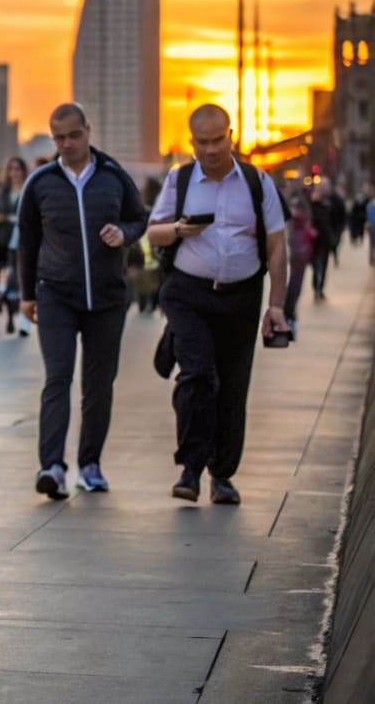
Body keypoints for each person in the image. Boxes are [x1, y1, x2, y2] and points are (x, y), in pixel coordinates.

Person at [147, 104, 288, 505]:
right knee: (197, 376)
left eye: (217, 140)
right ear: (192, 142)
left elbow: (277, 246)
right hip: (188, 294)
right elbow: (153, 233)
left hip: (241, 297)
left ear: (232, 136)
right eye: (202, 142)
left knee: (232, 384)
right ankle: (190, 469)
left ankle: (222, 474)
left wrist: (277, 306)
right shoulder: (180, 180)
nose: (210, 150)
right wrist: (178, 229)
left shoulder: (257, 182)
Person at [18, 103, 146, 499]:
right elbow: (27, 240)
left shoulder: (113, 176)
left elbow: (139, 219)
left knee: (99, 384)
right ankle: (52, 467)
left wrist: (123, 234)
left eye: (74, 135)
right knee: (58, 377)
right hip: (55, 293)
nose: (67, 144)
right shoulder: (40, 183)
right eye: (59, 138)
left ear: (88, 130)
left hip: (107, 297)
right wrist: (26, 295)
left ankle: (90, 465)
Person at [0, 156, 29, 333]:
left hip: (26, 243)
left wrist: (8, 217)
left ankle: (24, 322)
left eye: (17, 169)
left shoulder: (29, 189)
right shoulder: (4, 192)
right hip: (7, 242)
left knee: (24, 282)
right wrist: (7, 218)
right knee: (7, 277)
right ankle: (4, 305)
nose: (14, 173)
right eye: (11, 169)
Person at [283, 186, 315, 340]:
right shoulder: (298, 205)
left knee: (296, 283)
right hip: (298, 248)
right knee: (295, 283)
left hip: (300, 247)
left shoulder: (300, 205)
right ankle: (288, 311)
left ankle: (289, 311)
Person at [309, 179, 336, 300]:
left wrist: (333, 235)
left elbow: (334, 219)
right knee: (316, 265)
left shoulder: (330, 202)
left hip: (325, 239)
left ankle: (320, 288)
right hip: (315, 240)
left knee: (324, 265)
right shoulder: (312, 202)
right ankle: (316, 287)